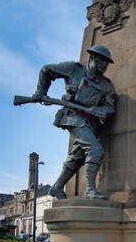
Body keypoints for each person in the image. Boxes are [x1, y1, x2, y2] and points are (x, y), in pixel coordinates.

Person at [31, 45, 117, 200]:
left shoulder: (106, 85)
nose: (104, 65)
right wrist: (40, 92)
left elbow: (109, 107)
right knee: (95, 150)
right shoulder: (73, 69)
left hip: (91, 122)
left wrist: (101, 110)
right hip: (72, 116)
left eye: (106, 62)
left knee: (77, 157)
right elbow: (46, 70)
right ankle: (90, 190)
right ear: (92, 58)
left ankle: (56, 187)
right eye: (101, 60)